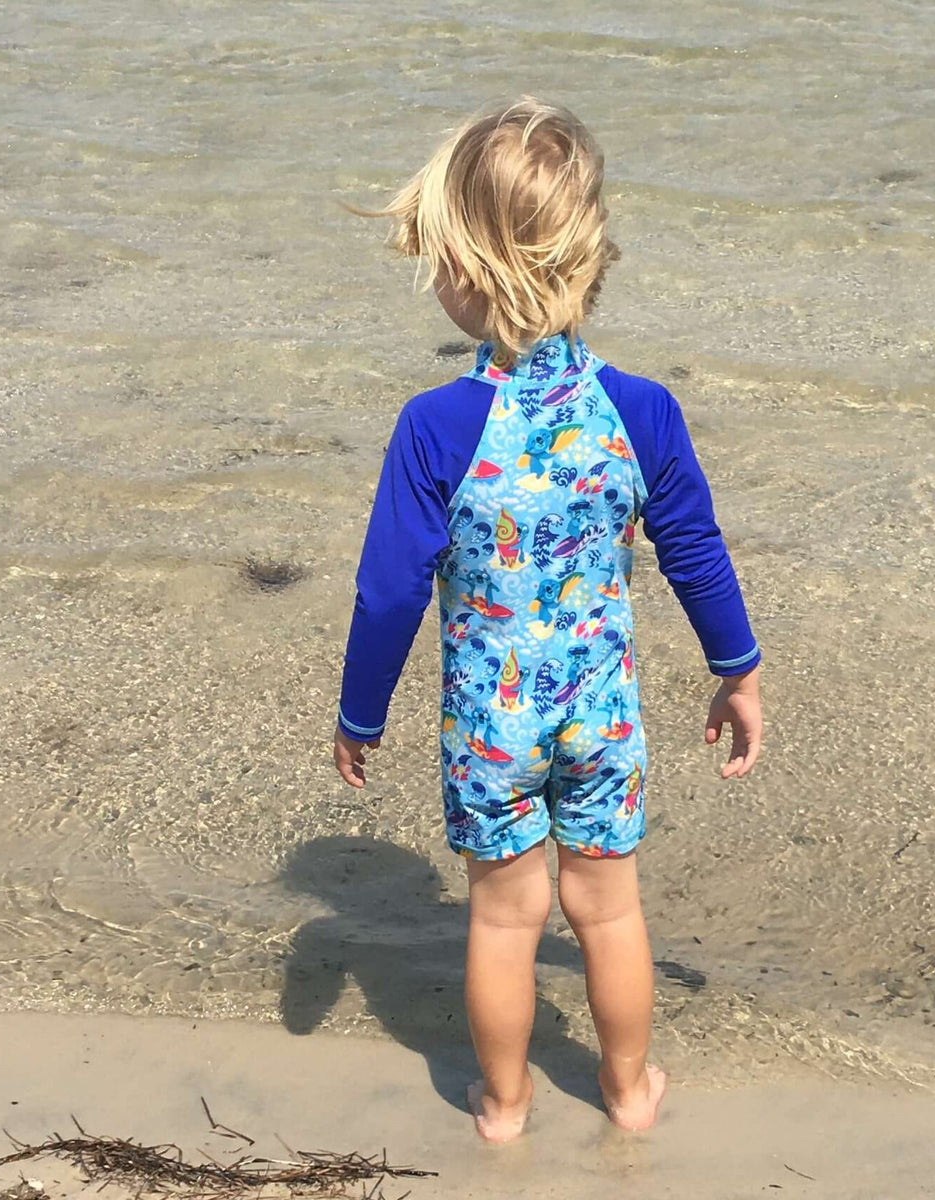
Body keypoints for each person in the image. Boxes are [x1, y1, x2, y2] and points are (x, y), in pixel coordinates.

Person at [333, 97, 763, 1142]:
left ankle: (505, 1107)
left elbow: (389, 591)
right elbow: (694, 552)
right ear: (590, 256)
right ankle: (628, 1092)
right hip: (601, 719)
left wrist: (360, 713)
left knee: (501, 919)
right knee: (608, 912)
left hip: (491, 728)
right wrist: (737, 669)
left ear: (466, 271)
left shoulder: (436, 426)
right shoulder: (642, 411)